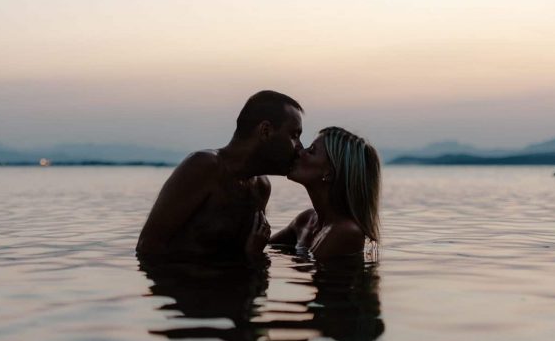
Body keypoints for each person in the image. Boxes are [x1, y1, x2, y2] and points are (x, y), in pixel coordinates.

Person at [137, 90, 304, 259]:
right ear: (266, 130)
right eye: (294, 135)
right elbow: (148, 246)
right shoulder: (204, 167)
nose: (300, 147)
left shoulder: (261, 187)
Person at [269, 127, 381, 259]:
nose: (300, 151)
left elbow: (318, 278)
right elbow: (265, 246)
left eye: (311, 151)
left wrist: (252, 252)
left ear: (329, 173)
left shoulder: (346, 231)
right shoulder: (306, 220)